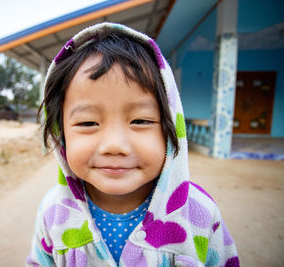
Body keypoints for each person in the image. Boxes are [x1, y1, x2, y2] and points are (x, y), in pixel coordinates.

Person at [26, 22, 239, 267]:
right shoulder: (53, 213)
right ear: (61, 134)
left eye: (140, 120)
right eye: (87, 123)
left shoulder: (199, 214)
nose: (114, 145)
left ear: (171, 129)